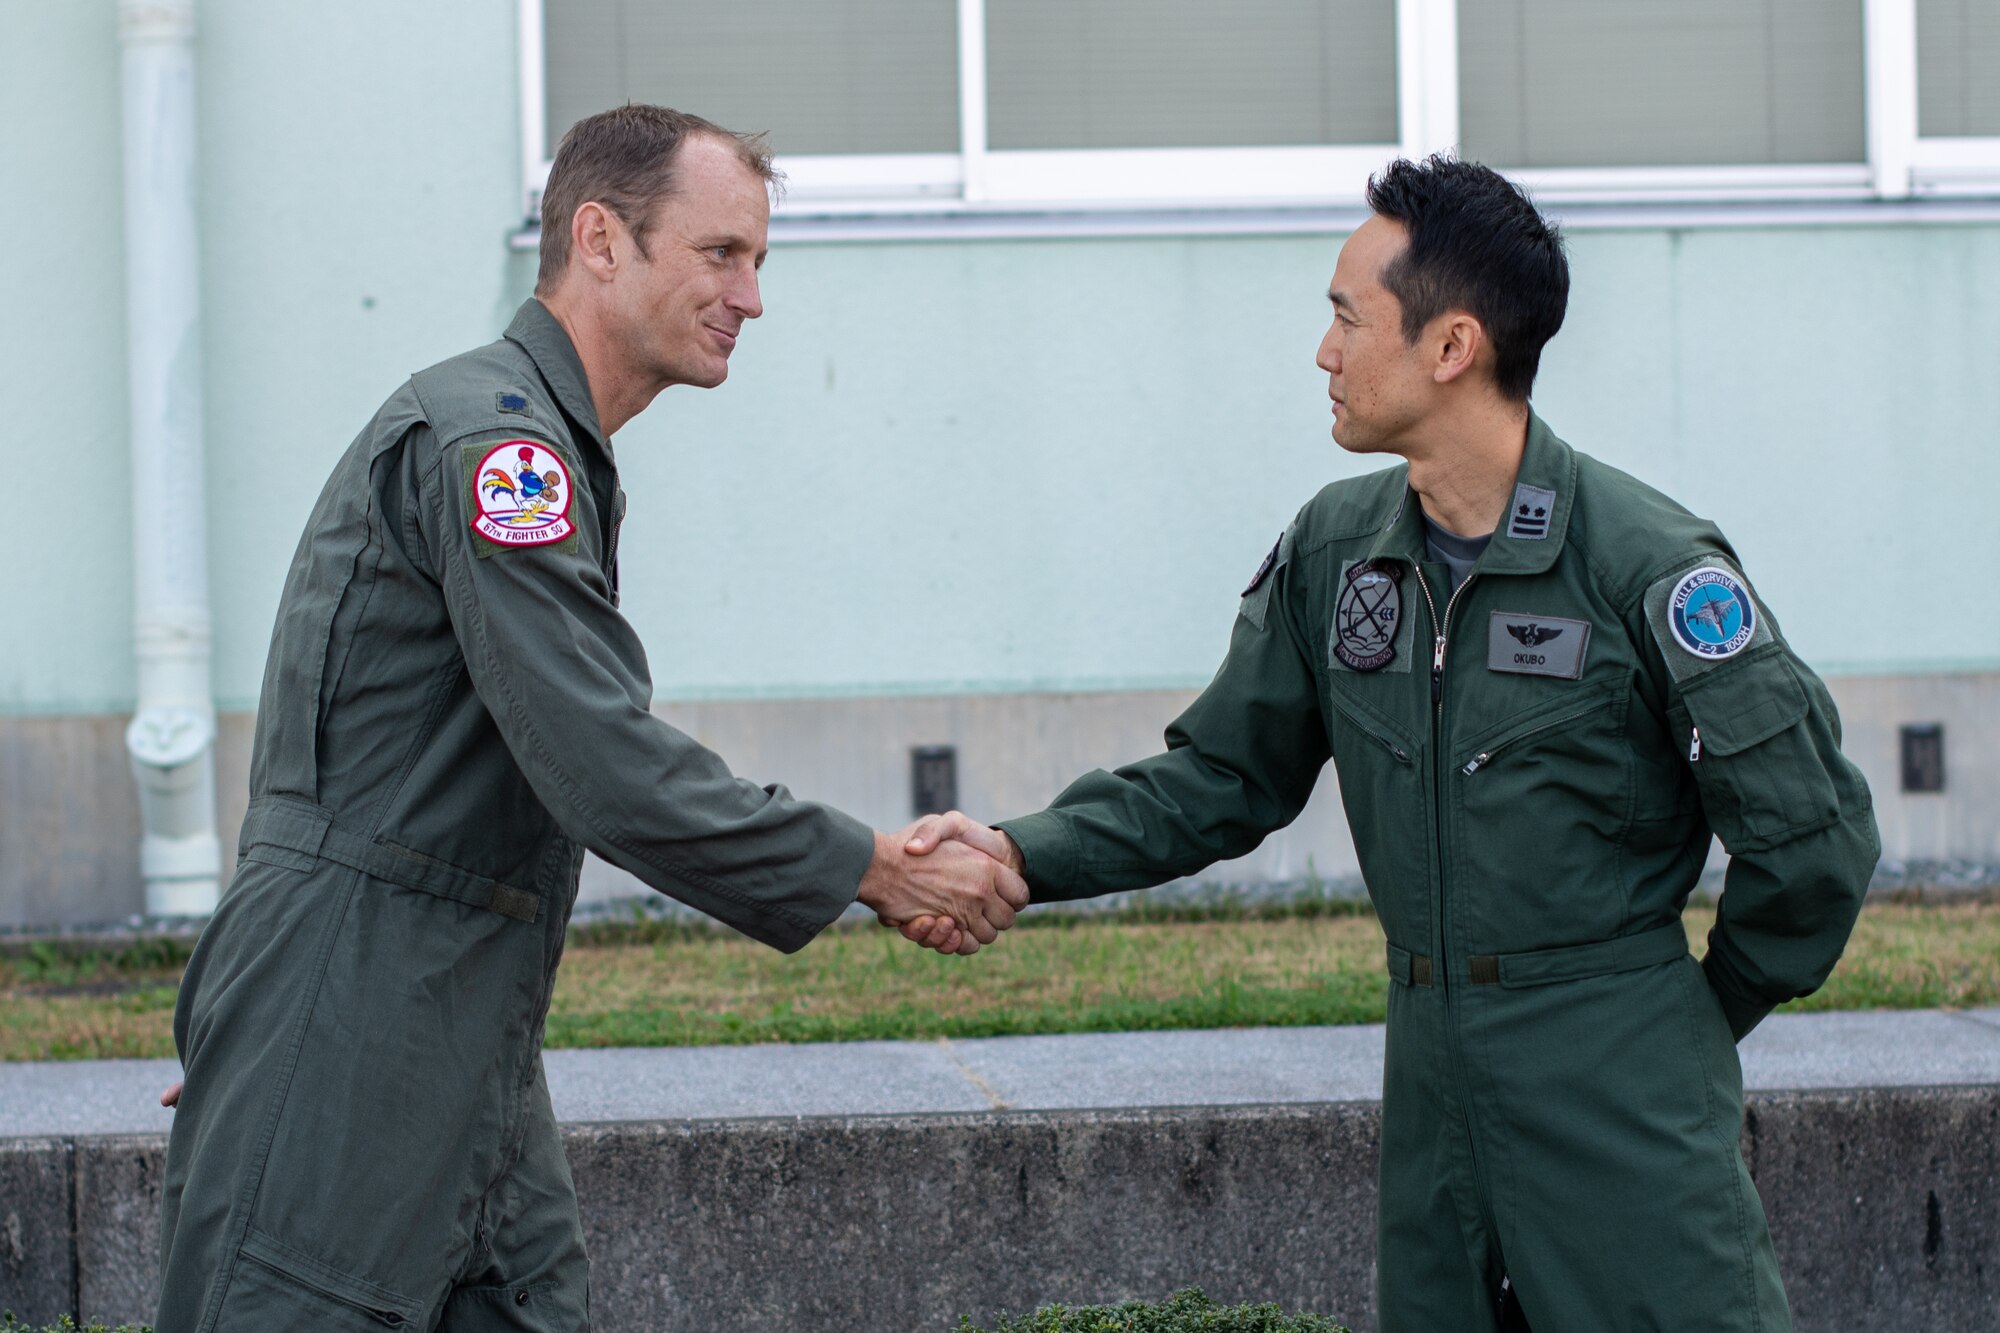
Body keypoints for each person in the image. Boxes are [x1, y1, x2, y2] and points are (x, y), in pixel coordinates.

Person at [904, 156, 1879, 1332]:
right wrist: (1020, 851)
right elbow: (1221, 775)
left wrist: (1681, 1016)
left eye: (1343, 317)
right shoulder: (1336, 550)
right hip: (1431, 1088)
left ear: (1450, 346)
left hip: (1620, 1090)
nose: (1322, 352)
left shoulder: (1645, 564)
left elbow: (1808, 841)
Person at [155, 105, 1014, 1332]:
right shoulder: (499, 448)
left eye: (758, 261)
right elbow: (599, 758)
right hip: (359, 1007)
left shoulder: (542, 442)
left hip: (447, 1013)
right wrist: (869, 867)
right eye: (722, 253)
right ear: (600, 239)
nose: (751, 297)